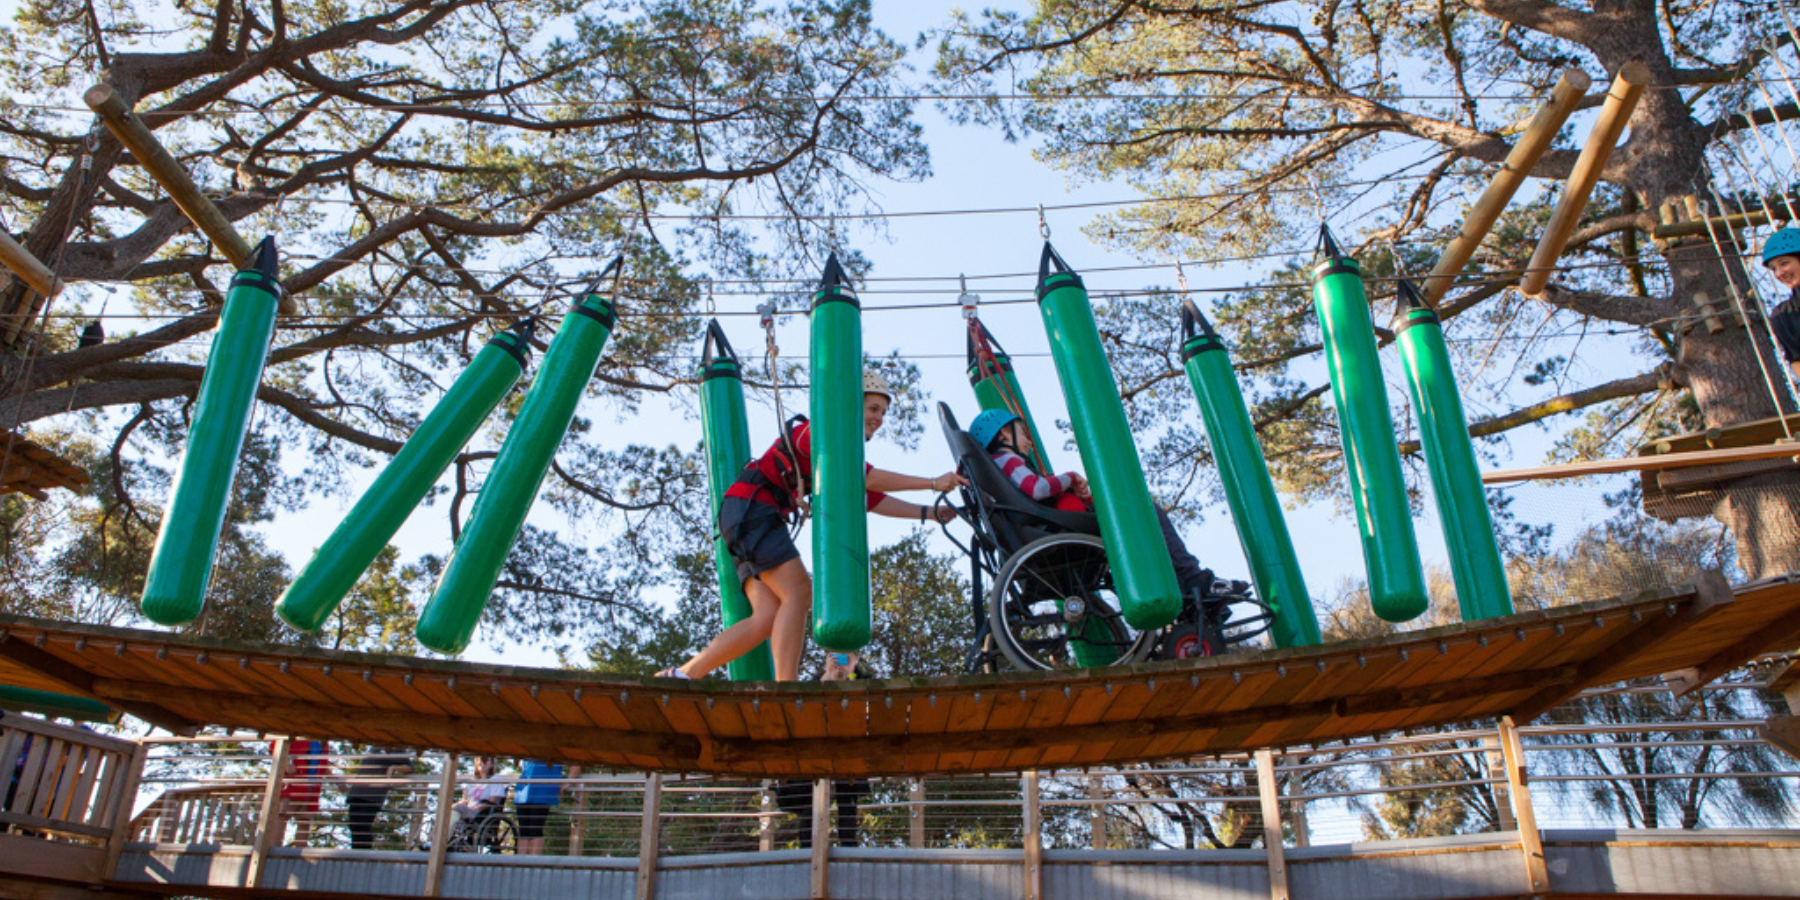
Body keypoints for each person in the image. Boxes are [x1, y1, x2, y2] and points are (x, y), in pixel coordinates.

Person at [659, 370, 965, 681]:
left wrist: (928, 513)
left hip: (742, 517)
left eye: (883, 412)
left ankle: (683, 674)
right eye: (873, 409)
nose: (879, 419)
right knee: (799, 592)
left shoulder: (837, 454)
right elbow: (866, 478)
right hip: (753, 510)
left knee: (767, 617)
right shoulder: (817, 432)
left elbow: (870, 498)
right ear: (851, 405)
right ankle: (786, 687)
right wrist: (931, 483)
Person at [968, 408, 1244, 603]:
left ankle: (1180, 584)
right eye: (1022, 433)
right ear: (1004, 434)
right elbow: (1038, 489)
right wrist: (1071, 477)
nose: (1029, 441)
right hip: (1058, 529)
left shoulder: (994, 471)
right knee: (1146, 511)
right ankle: (1193, 578)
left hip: (1043, 529)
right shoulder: (1008, 461)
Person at [773, 653, 873, 848]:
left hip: (847, 752)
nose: (840, 663)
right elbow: (802, 707)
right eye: (835, 658)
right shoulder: (816, 682)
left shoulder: (862, 681)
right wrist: (828, 676)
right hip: (817, 754)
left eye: (846, 659)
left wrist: (851, 674)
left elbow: (866, 701)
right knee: (813, 802)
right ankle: (807, 848)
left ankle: (849, 845)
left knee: (848, 796)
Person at [344, 745, 413, 851]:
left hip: (372, 794)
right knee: (354, 825)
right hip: (357, 791)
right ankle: (356, 853)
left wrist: (393, 768)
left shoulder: (396, 748)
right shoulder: (374, 746)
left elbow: (409, 767)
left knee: (363, 826)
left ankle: (363, 855)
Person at [270, 737, 328, 847]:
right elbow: (275, 746)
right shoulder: (297, 731)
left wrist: (339, 782)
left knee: (305, 820)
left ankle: (299, 853)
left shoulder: (324, 740)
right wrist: (286, 763)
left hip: (312, 787)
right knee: (282, 815)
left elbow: (324, 764)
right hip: (293, 784)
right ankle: (273, 849)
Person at [1762, 227, 1800, 380]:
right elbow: (1797, 360)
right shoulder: (1785, 315)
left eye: (1784, 263)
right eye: (1773, 269)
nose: (1779, 274)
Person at [514, 758, 562, 855]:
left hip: (543, 789)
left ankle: (533, 862)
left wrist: (567, 783)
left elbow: (575, 765)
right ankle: (520, 863)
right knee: (523, 829)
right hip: (524, 789)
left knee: (535, 828)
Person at [449, 756, 508, 830]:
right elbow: (465, 800)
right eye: (480, 760)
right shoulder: (472, 782)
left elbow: (492, 801)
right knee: (449, 808)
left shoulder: (495, 779)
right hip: (468, 810)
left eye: (486, 760)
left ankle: (445, 836)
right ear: (476, 763)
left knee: (456, 808)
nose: (482, 762)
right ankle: (439, 835)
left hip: (480, 813)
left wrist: (477, 807)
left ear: (491, 764)